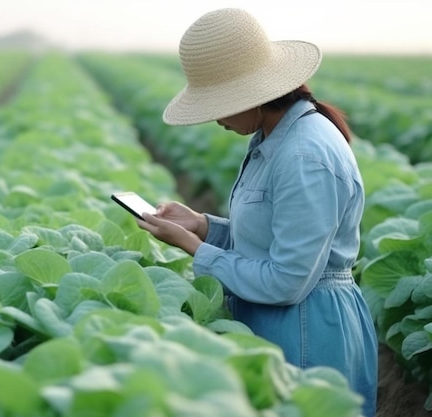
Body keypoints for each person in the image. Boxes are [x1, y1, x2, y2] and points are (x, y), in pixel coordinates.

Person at [136, 8, 378, 417]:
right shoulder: (277, 136)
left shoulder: (304, 154)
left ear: (251, 95)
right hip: (281, 324)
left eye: (217, 104)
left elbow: (286, 280)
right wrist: (201, 225)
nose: (214, 118)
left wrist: (198, 251)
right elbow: (270, 237)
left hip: (307, 334)